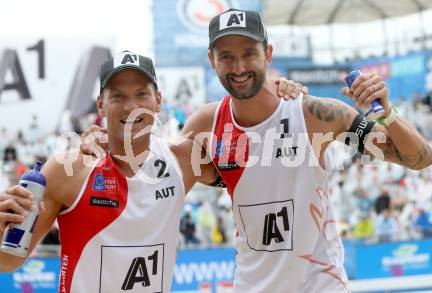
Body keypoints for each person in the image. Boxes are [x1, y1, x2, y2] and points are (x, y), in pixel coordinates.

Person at [81, 9, 432, 292]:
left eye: (249, 54)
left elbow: (420, 158)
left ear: (267, 53)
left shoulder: (314, 114)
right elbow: (149, 177)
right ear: (212, 60)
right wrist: (98, 144)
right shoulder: (206, 123)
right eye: (227, 56)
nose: (238, 68)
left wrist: (387, 113)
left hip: (320, 284)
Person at [0, 50, 302, 293]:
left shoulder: (182, 161)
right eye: (118, 97)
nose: (131, 106)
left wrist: (272, 91)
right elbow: (8, 261)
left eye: (142, 94)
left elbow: (258, 159)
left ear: (158, 101)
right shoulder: (68, 168)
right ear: (101, 106)